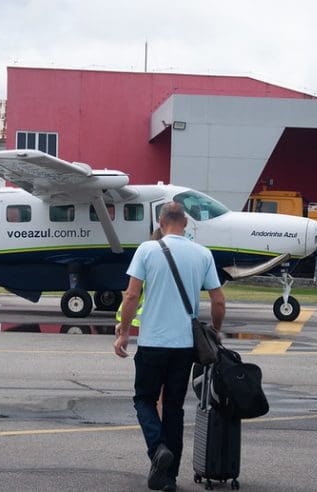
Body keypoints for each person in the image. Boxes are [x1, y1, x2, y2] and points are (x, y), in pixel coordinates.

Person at [114, 202, 226, 491]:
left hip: (152, 343)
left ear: (160, 221)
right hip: (185, 346)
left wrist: (124, 332)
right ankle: (169, 477)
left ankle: (157, 449)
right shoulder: (202, 254)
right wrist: (215, 330)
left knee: (144, 400)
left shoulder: (147, 250)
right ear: (186, 223)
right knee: (174, 408)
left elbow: (131, 296)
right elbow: (218, 301)